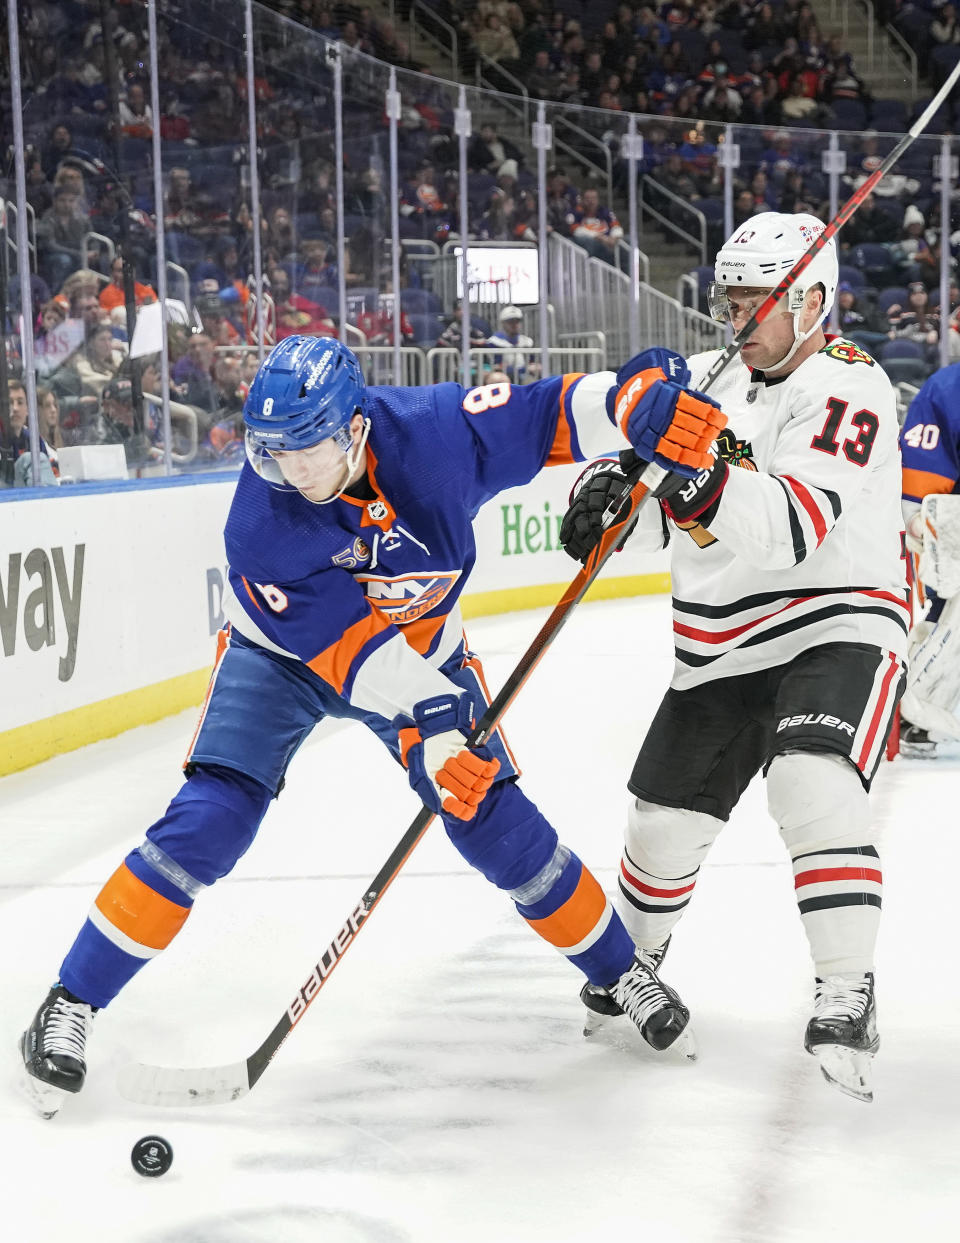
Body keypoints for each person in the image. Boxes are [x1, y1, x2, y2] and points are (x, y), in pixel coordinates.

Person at [20, 334, 701, 1118]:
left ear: (354, 428)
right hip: (279, 659)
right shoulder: (260, 524)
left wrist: (633, 401)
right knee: (210, 821)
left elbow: (554, 412)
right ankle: (70, 999)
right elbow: (353, 655)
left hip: (424, 650)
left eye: (309, 447)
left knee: (492, 819)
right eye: (274, 450)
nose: (293, 470)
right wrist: (440, 721)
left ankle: (620, 972)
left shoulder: (439, 433)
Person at [558, 212, 907, 1103]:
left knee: (811, 778)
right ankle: (632, 965)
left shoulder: (847, 384)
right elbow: (661, 505)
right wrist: (611, 502)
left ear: (816, 302)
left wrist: (692, 476)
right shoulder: (715, 389)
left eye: (763, 301)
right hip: (719, 646)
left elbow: (790, 528)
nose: (743, 318)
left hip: (836, 621)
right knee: (660, 826)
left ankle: (846, 992)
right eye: (735, 299)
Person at [897, 363, 960, 757]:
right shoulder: (948, 388)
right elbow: (924, 469)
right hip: (957, 536)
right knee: (948, 615)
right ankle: (922, 716)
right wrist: (920, 516)